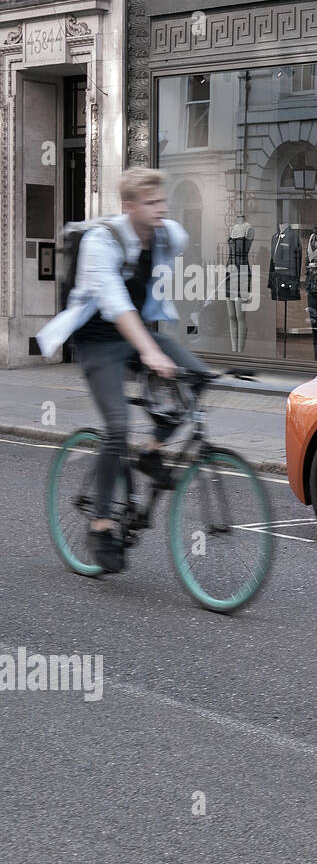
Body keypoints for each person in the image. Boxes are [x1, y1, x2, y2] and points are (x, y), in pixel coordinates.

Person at [36, 168, 211, 573]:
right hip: (98, 341)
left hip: (138, 334)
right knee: (116, 428)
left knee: (197, 377)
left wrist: (157, 350)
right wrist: (150, 352)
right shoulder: (101, 242)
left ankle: (151, 453)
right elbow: (117, 306)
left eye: (163, 201)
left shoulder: (169, 235)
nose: (161, 209)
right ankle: (100, 525)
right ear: (129, 207)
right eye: (152, 204)